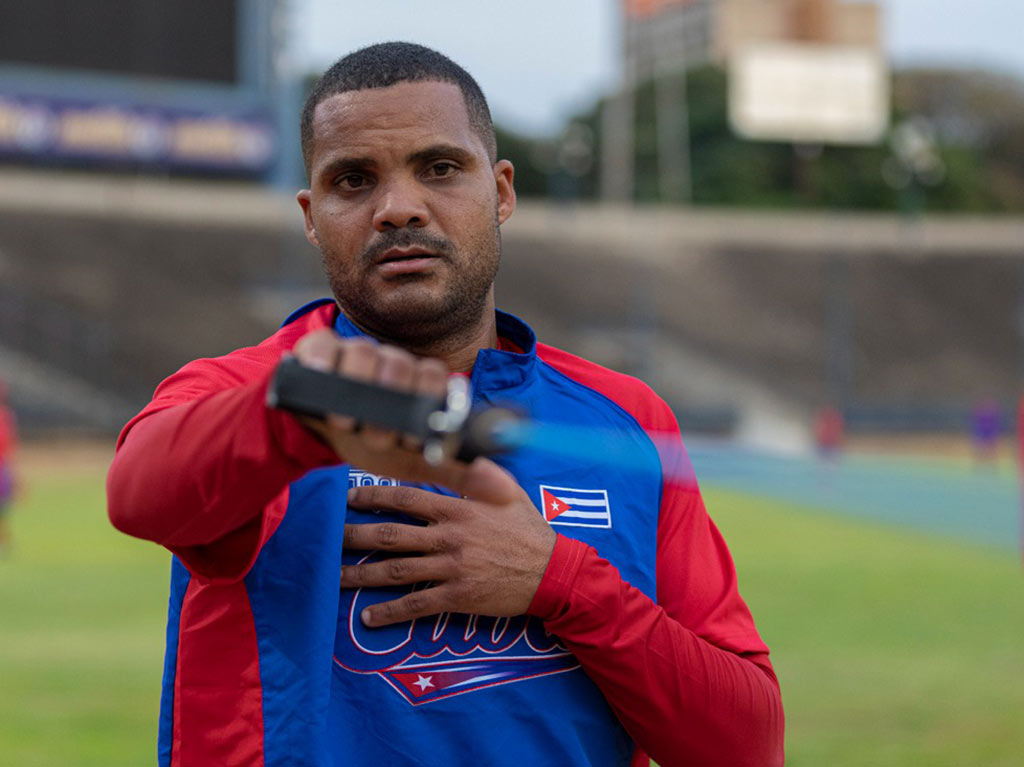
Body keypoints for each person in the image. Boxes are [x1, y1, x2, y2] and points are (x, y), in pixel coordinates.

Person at [107, 42, 784, 767]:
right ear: (311, 215)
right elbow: (139, 493)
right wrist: (300, 415)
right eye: (353, 180)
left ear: (501, 191)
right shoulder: (247, 395)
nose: (398, 209)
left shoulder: (625, 418)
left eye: (439, 168)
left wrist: (557, 580)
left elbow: (744, 745)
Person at [0, 378, 17, 557]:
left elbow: (10, 445)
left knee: (3, 508)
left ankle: (3, 541)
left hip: (2, 466)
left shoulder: (6, 416)